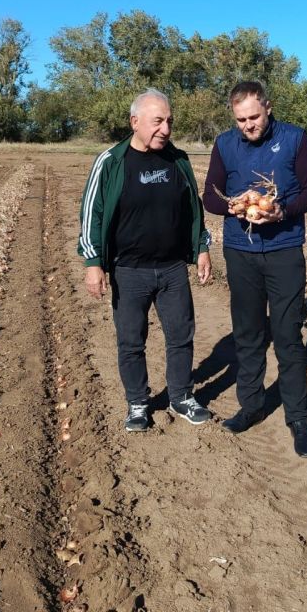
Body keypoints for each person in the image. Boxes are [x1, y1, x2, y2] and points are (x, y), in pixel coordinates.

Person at [78, 88, 212, 432]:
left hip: (172, 269)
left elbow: (193, 208)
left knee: (181, 336)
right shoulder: (111, 161)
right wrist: (93, 263)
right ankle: (137, 403)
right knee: (131, 342)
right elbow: (91, 213)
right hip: (129, 270)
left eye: (169, 122)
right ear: (135, 122)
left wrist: (201, 247)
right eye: (157, 121)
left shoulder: (178, 160)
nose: (165, 129)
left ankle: (181, 396)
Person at [203, 81, 307, 458]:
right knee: (248, 333)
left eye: (254, 117)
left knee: (287, 335)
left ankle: (299, 418)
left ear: (268, 107)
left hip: (285, 250)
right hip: (241, 252)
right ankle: (251, 405)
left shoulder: (294, 139)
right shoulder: (225, 144)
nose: (248, 125)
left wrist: (282, 211)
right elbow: (209, 197)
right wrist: (233, 206)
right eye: (240, 120)